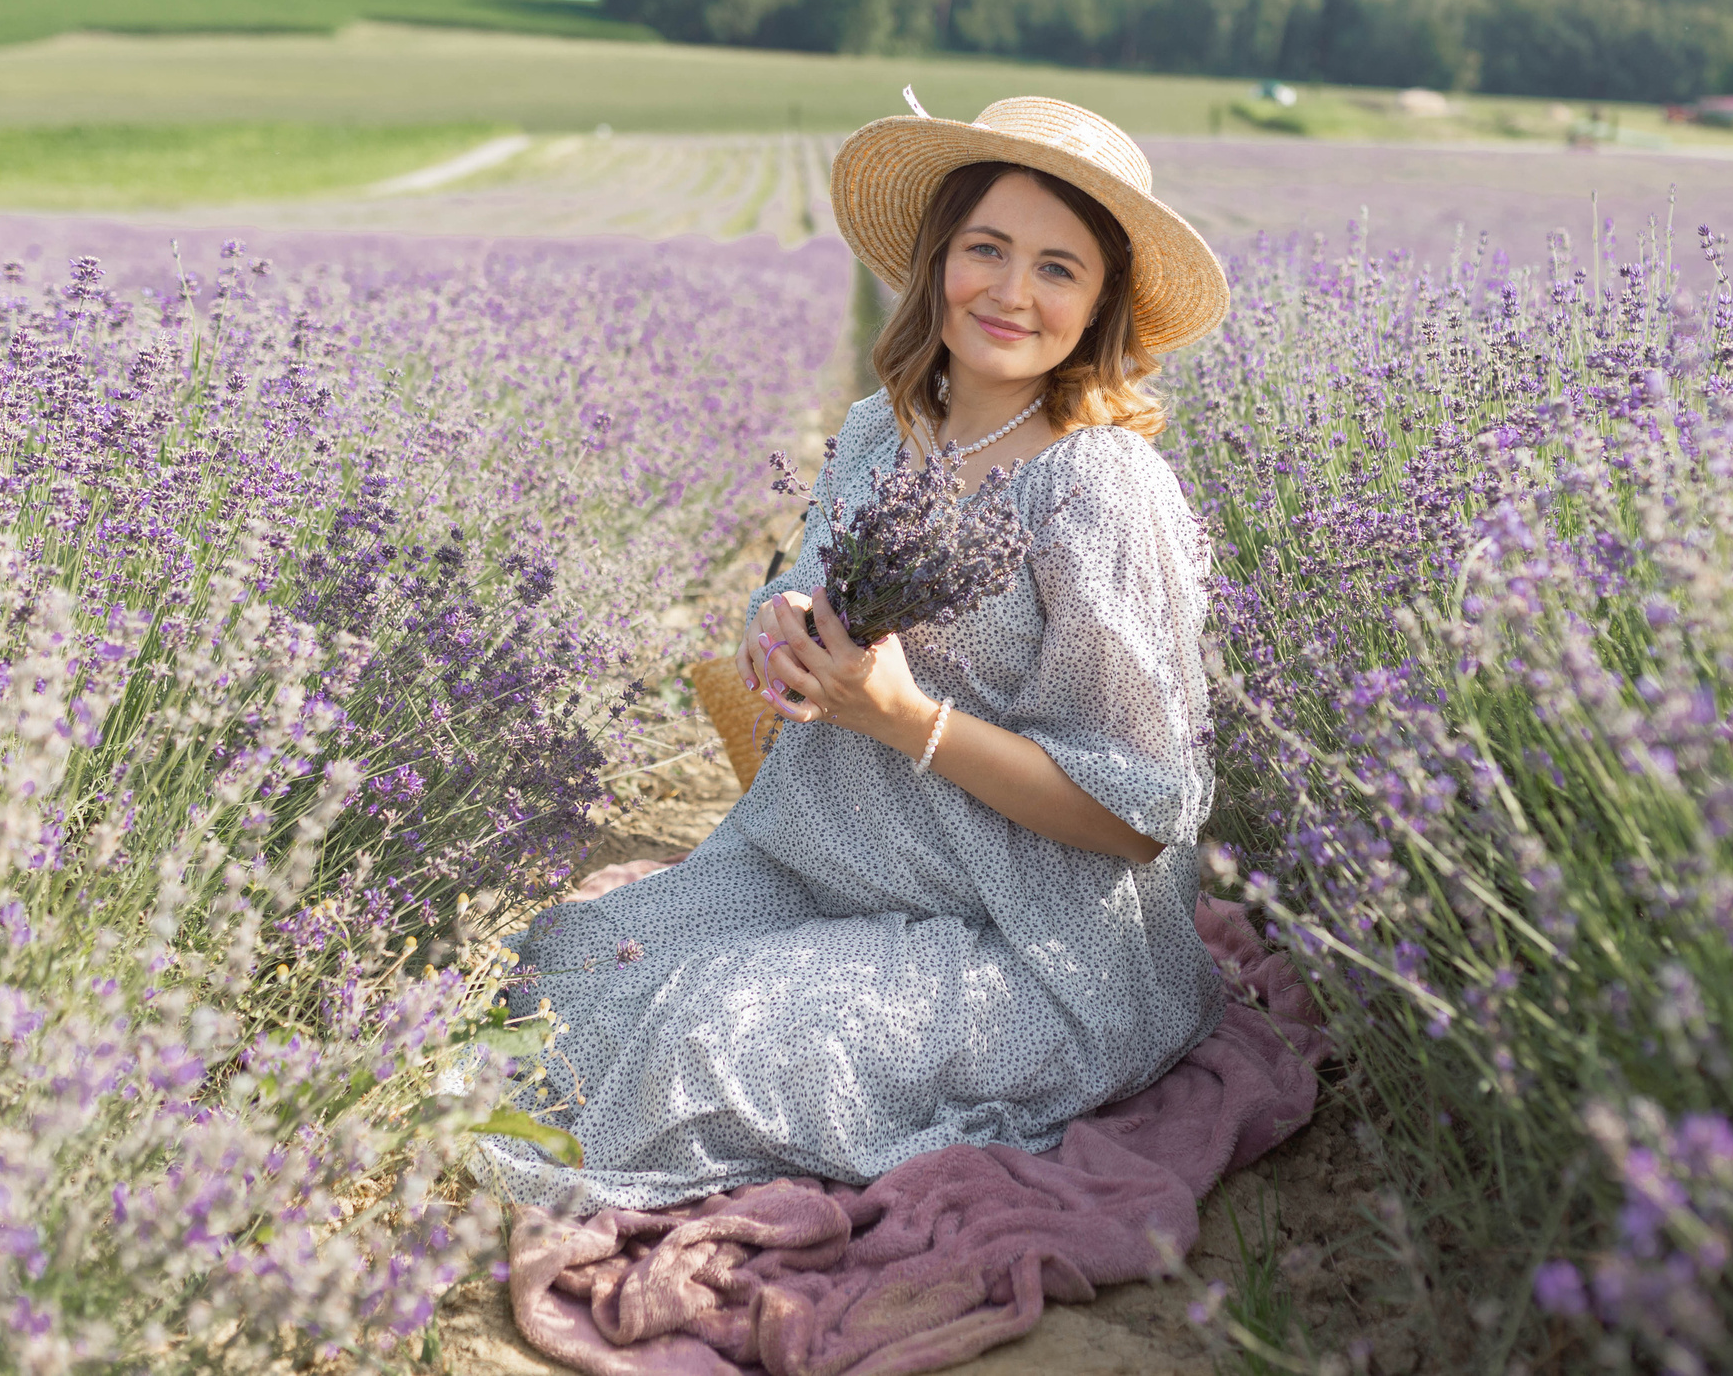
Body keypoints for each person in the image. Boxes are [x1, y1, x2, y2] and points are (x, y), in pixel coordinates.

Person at [482, 94, 1232, 1210]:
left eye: (1058, 268)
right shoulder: (883, 426)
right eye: (987, 248)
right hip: (824, 866)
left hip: (1027, 939)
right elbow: (799, 581)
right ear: (938, 261)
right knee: (569, 965)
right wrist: (776, 626)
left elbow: (1135, 816)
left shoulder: (1100, 490)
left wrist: (905, 720)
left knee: (696, 1048)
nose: (1012, 291)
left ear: (1101, 307)